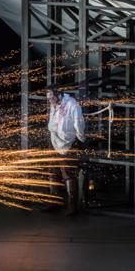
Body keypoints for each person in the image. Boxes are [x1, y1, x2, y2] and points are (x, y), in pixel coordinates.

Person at [46, 88, 86, 216]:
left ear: (59, 94)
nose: (50, 100)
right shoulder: (54, 104)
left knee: (67, 173)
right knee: (53, 172)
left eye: (52, 97)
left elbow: (78, 122)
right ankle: (54, 203)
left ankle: (72, 207)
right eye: (48, 98)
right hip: (54, 141)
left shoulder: (72, 104)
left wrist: (80, 138)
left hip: (68, 143)